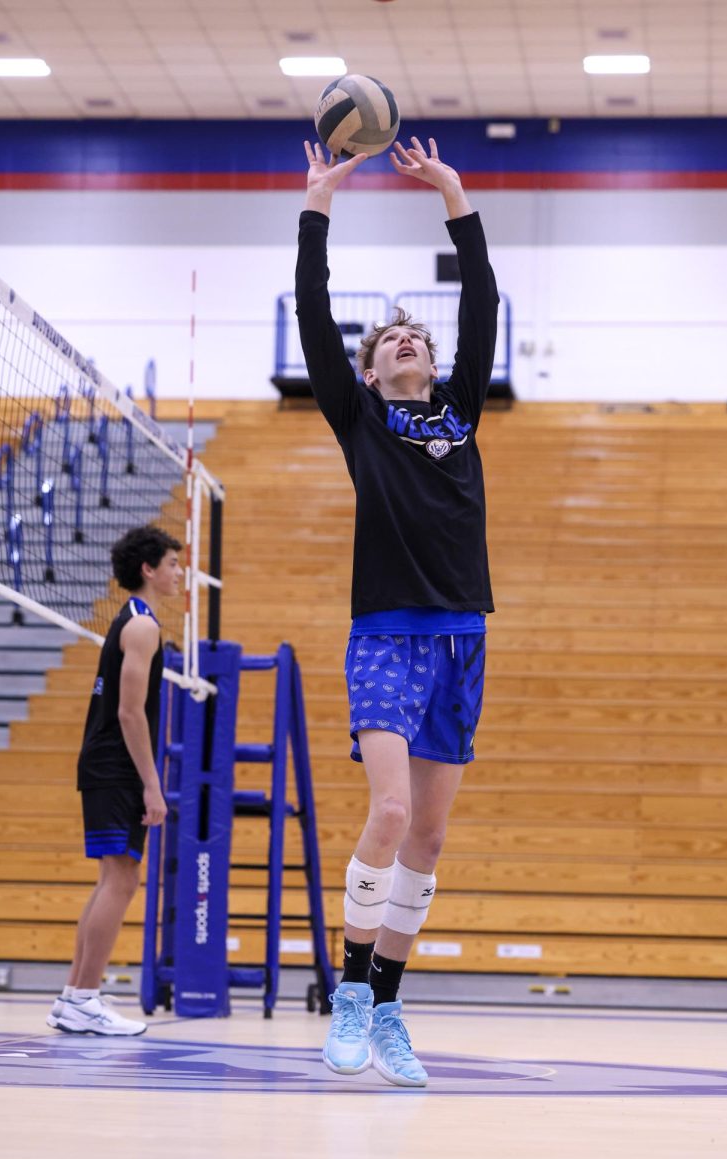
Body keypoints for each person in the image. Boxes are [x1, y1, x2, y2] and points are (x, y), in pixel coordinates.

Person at [295, 136, 499, 1086]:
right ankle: (346, 992)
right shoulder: (361, 416)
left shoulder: (459, 406)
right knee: (387, 807)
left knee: (430, 836)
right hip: (386, 630)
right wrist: (319, 205)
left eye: (413, 336)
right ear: (370, 373)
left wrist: (453, 194)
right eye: (389, 343)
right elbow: (314, 311)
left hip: (463, 633)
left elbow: (482, 301)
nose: (405, 341)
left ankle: (388, 1007)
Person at [47, 525, 182, 1035]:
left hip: (106, 764)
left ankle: (72, 996)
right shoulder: (142, 627)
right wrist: (152, 785)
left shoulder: (135, 622)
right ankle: (84, 997)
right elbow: (130, 714)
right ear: (148, 569)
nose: (178, 572)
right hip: (116, 767)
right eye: (171, 563)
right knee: (121, 880)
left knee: (113, 879)